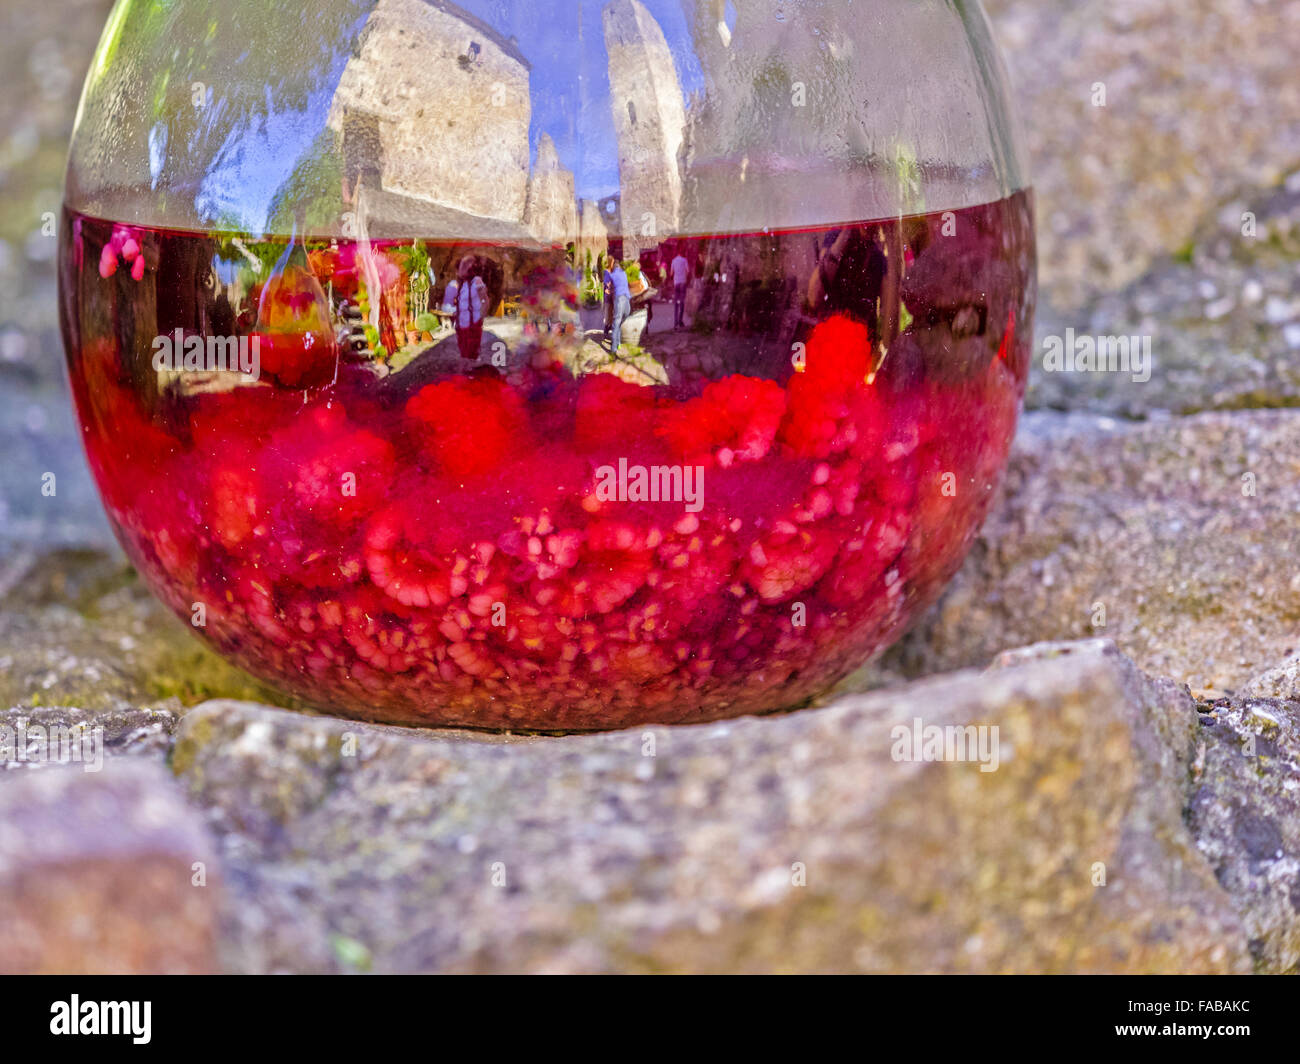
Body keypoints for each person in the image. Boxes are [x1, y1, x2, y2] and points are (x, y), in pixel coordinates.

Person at [443, 254, 488, 361]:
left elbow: (485, 300)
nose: (458, 272)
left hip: (473, 324)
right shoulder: (458, 284)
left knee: (472, 353)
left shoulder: (476, 281)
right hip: (461, 324)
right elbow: (448, 306)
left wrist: (480, 317)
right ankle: (467, 370)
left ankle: (473, 371)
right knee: (464, 353)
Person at [608, 260, 632, 352]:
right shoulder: (624, 274)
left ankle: (614, 348)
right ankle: (618, 344)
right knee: (622, 319)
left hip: (619, 299)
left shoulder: (612, 275)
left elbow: (610, 288)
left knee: (616, 323)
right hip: (627, 299)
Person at [670, 249, 690, 330]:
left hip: (676, 283)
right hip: (683, 283)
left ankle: (675, 323)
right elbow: (688, 271)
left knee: (676, 303)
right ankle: (680, 321)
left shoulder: (674, 260)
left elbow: (671, 273)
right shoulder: (685, 260)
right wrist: (684, 275)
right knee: (681, 302)